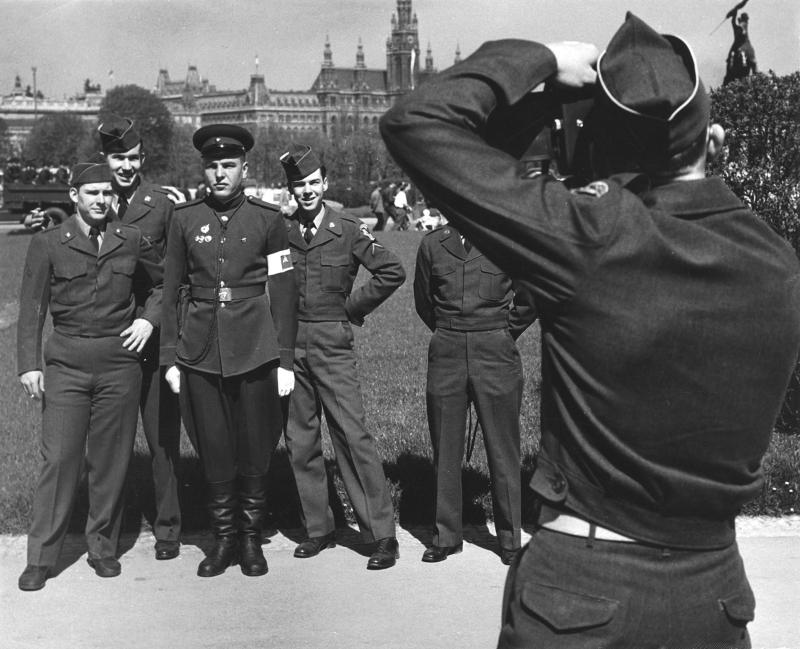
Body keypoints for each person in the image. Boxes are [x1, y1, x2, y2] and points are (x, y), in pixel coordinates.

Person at [381, 12, 800, 648]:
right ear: (714, 143)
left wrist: (543, 59)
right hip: (712, 594)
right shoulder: (778, 265)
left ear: (603, 149)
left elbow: (416, 122)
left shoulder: (588, 237)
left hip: (580, 590)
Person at [16, 161, 163, 591]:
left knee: (110, 461)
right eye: (92, 193)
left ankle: (102, 548)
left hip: (120, 364)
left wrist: (149, 321)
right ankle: (41, 557)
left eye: (107, 194)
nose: (101, 200)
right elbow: (31, 306)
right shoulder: (48, 243)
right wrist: (29, 364)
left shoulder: (129, 239)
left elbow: (162, 285)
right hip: (67, 364)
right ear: (74, 195)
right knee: (59, 459)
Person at [160, 124, 297, 578]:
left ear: (244, 168)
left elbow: (282, 288)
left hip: (255, 348)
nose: (220, 174)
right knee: (214, 446)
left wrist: (284, 358)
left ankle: (250, 539)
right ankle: (222, 541)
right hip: (200, 351)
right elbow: (171, 289)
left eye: (228, 166)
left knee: (255, 445)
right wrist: (170, 356)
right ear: (204, 169)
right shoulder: (183, 219)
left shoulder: (268, 218)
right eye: (212, 166)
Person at [280, 144, 405, 570]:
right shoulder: (281, 231)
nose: (308, 191)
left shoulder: (346, 227)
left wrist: (352, 309)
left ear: (325, 183)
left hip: (332, 341)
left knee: (352, 435)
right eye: (300, 186)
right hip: (291, 343)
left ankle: (381, 534)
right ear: (291, 190)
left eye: (314, 183)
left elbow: (391, 271)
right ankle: (319, 528)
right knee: (301, 440)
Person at [414, 226, 536, 565]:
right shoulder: (432, 245)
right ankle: (446, 535)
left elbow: (529, 298)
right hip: (447, 350)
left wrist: (501, 333)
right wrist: (450, 332)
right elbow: (424, 300)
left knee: (503, 447)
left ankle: (510, 538)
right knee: (446, 444)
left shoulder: (507, 239)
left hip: (495, 349)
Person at [96, 114, 183, 561]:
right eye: (118, 158)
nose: (126, 166)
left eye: (133, 158)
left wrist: (151, 320)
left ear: (142, 159)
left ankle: (168, 531)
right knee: (110, 446)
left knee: (162, 439)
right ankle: (107, 536)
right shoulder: (92, 202)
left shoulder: (160, 205)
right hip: (106, 343)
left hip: (151, 338)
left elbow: (172, 278)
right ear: (104, 159)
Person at [723, 1, 757, 85]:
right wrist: (733, 12)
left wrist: (734, 11)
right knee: (730, 59)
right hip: (738, 46)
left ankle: (756, 75)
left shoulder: (743, 25)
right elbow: (734, 15)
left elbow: (743, 30)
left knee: (753, 61)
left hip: (744, 46)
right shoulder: (738, 25)